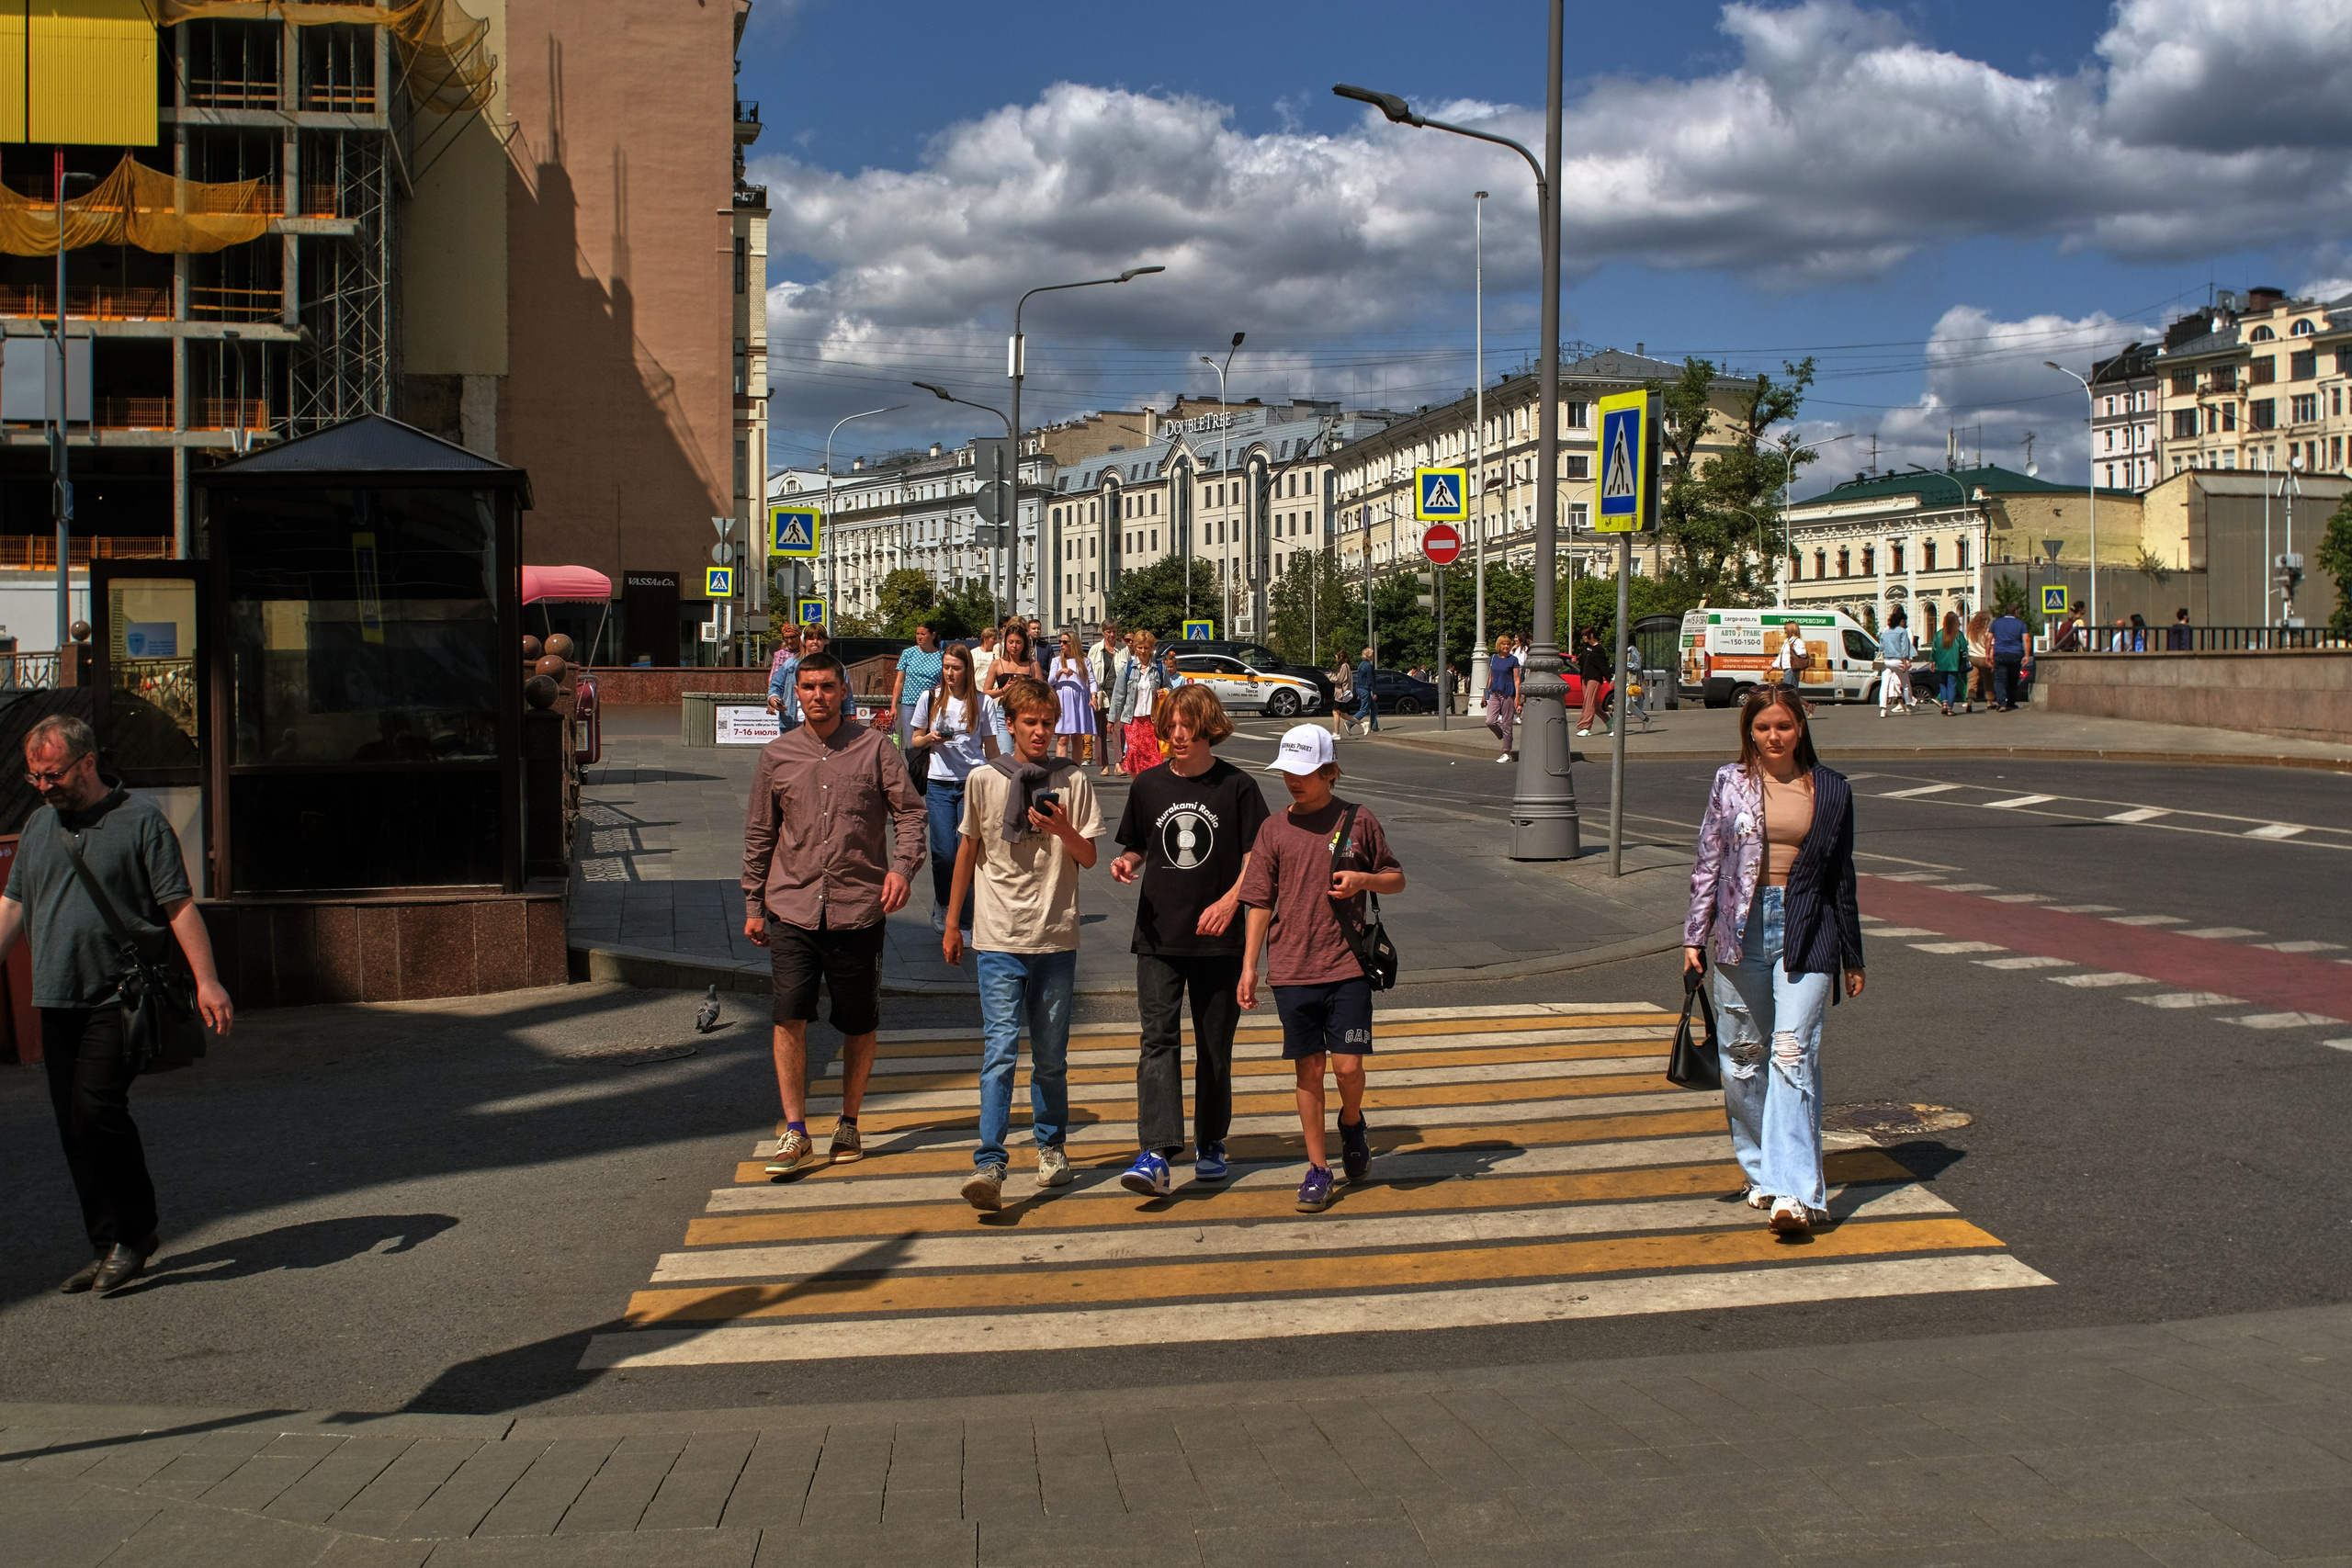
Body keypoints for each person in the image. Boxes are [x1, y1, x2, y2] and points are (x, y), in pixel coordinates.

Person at [0, 715, 232, 1296]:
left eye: (53, 774)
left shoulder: (140, 823)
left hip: (119, 996)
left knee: (95, 1110)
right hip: (57, 996)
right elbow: (12, 908)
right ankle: (108, 1243)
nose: (45, 786)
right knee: (72, 1129)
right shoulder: (37, 828)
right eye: (35, 777)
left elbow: (178, 907)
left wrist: (207, 980)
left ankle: (137, 1232)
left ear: (87, 761)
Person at [1682, 685, 1864, 1238]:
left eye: (1782, 726)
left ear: (1800, 726)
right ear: (1749, 732)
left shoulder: (1831, 789)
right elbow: (1709, 858)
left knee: (1791, 1053)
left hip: (1808, 928)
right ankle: (1761, 1173)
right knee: (1743, 1058)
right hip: (1742, 929)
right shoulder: (1730, 782)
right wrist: (1694, 935)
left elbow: (1842, 876)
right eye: (1762, 728)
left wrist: (1853, 954)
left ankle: (1796, 1193)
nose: (1773, 736)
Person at [746, 653, 924, 1175]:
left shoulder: (874, 749)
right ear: (795, 692)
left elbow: (910, 812)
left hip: (858, 909)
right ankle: (795, 1131)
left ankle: (848, 1120)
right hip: (792, 908)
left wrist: (902, 869)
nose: (818, 695)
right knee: (788, 1016)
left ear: (844, 690)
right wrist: (753, 903)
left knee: (858, 1022)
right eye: (808, 687)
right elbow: (760, 833)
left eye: (827, 686)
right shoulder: (777, 755)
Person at [943, 676, 1102, 1211]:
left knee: (1052, 1056)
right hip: (998, 935)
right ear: (1009, 725)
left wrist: (1061, 830)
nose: (1040, 731)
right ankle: (989, 1163)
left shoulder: (1073, 780)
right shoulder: (984, 780)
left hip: (1056, 936)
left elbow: (1089, 858)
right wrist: (951, 923)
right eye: (1030, 722)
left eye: (1048, 722)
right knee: (1000, 1052)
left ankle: (1051, 1147)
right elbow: (967, 852)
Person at [1238, 726, 1405, 1213]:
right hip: (1291, 968)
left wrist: (1363, 879)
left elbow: (1395, 880)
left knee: (1347, 1067)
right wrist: (1249, 967)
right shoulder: (1273, 829)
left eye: (1305, 772)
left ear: (1329, 771)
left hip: (1347, 966)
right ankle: (1317, 1168)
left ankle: (1352, 1122)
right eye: (1288, 771)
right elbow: (1258, 902)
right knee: (1309, 1070)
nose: (1294, 780)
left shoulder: (1358, 820)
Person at [1109, 684, 1268, 1196]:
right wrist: (1126, 863)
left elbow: (1257, 862)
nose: (1175, 736)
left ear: (1208, 728)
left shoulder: (1238, 788)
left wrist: (1228, 903)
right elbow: (1137, 845)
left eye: (1186, 727)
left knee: (1214, 1046)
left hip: (1219, 940)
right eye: (1170, 726)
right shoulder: (1149, 785)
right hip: (1159, 935)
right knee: (1157, 1040)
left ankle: (1211, 1141)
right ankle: (1156, 1151)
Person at [909, 644, 1001, 935]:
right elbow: (914, 740)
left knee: (967, 851)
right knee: (943, 852)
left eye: (956, 668)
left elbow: (992, 749)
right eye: (946, 667)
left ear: (967, 670)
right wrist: (931, 739)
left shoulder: (982, 702)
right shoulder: (931, 697)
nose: (949, 673)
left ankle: (965, 917)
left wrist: (1009, 777)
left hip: (973, 784)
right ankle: (944, 902)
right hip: (938, 783)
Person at [879, 622, 944, 795]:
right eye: (917, 634)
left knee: (930, 741)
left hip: (933, 704)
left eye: (923, 634)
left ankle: (928, 776)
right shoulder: (908, 653)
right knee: (911, 744)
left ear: (933, 635)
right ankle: (916, 776)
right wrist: (893, 705)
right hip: (909, 703)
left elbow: (945, 681)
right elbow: (899, 681)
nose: (919, 637)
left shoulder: (941, 656)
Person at [766, 625, 830, 728]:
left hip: (824, 721)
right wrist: (773, 698)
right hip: (792, 721)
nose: (815, 642)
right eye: (811, 638)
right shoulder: (790, 663)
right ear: (804, 641)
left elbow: (845, 694)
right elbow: (775, 684)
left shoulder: (835, 666)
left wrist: (847, 716)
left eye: (819, 638)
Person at [1121, 629, 1166, 771]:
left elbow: (1169, 686)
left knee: (1153, 756)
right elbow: (1119, 694)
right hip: (1132, 719)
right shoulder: (1128, 668)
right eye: (1140, 647)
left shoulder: (1159, 667)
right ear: (1135, 648)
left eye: (1146, 648)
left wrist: (1164, 691)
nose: (1143, 651)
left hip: (1152, 719)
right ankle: (1138, 785)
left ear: (1152, 649)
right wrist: (1112, 719)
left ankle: (1152, 787)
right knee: (1134, 755)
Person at [1050, 629, 1094, 762]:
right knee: (1062, 738)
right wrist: (1060, 672)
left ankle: (1075, 769)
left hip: (1079, 700)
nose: (1061, 645)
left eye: (1065, 642)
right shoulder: (1057, 661)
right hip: (1063, 701)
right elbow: (1050, 680)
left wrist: (1094, 696)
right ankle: (1061, 769)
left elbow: (1091, 681)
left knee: (1077, 738)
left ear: (1073, 643)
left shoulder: (1084, 661)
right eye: (1060, 642)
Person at [1091, 618, 1125, 775]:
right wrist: (1092, 696)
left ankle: (1119, 763)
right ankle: (1104, 764)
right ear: (1103, 632)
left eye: (1114, 632)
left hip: (1118, 696)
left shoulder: (1124, 650)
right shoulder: (1095, 650)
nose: (1112, 635)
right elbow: (1090, 676)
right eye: (1108, 632)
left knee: (1119, 730)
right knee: (1100, 732)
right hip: (1100, 695)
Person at [1486, 633, 1521, 763]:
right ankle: (1502, 735)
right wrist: (1485, 693)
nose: (1506, 646)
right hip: (1495, 691)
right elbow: (1491, 677)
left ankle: (1507, 753)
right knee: (1490, 721)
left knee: (1507, 723)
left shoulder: (1513, 660)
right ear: (1498, 645)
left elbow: (1517, 680)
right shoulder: (1493, 658)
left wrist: (1517, 697)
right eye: (1503, 644)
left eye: (1508, 644)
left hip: (1508, 692)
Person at [1877, 605, 1916, 717]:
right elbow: (1904, 648)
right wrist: (1905, 662)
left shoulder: (1885, 632)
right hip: (1897, 660)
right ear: (1902, 621)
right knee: (1906, 684)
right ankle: (1908, 706)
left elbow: (1881, 648)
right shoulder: (1902, 632)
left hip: (1886, 661)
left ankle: (1883, 709)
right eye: (1904, 621)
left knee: (1885, 685)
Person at [1989, 604, 2029, 709]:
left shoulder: (1996, 623)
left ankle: (2001, 703)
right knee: (2013, 678)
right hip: (2015, 653)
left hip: (2000, 653)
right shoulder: (2021, 624)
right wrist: (2027, 655)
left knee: (2000, 679)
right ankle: (2011, 701)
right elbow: (2026, 639)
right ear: (2016, 612)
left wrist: (1987, 654)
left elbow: (1988, 638)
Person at [1576, 627, 1611, 737]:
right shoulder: (1586, 647)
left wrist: (1610, 679)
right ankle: (1610, 723)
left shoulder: (1599, 649)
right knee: (1593, 704)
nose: (1583, 637)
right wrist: (1577, 661)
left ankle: (1585, 726)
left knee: (1589, 702)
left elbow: (1603, 666)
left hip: (1595, 678)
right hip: (1585, 677)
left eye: (1585, 635)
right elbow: (1584, 661)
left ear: (1591, 635)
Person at [1931, 610, 1965, 716]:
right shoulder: (1958, 635)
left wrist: (1932, 661)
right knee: (1952, 685)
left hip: (1941, 663)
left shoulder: (1939, 634)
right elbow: (1964, 648)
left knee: (1942, 684)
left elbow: (1934, 649)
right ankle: (1950, 708)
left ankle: (1944, 704)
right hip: (1954, 663)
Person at [1964, 610, 1994, 712]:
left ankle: (1969, 702)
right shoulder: (1986, 631)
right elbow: (1991, 645)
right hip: (1983, 658)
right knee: (1988, 680)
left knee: (1972, 682)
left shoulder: (1970, 631)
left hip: (1972, 658)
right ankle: (1989, 702)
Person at [1353, 646, 1379, 735]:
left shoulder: (1361, 664)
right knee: (1364, 709)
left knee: (1374, 707)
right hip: (1365, 689)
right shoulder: (1368, 666)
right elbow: (1371, 679)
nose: (1373, 656)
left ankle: (1374, 727)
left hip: (1359, 688)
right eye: (1372, 654)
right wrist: (1374, 691)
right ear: (1369, 656)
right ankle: (1349, 723)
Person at [1328, 654, 1354, 739]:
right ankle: (1363, 724)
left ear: (1341, 657)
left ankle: (1337, 733)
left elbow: (1339, 679)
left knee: (1335, 712)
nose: (1336, 659)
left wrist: (1329, 675)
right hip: (1342, 693)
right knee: (1344, 715)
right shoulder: (1346, 666)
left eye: (1336, 657)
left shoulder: (1344, 666)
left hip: (1341, 694)